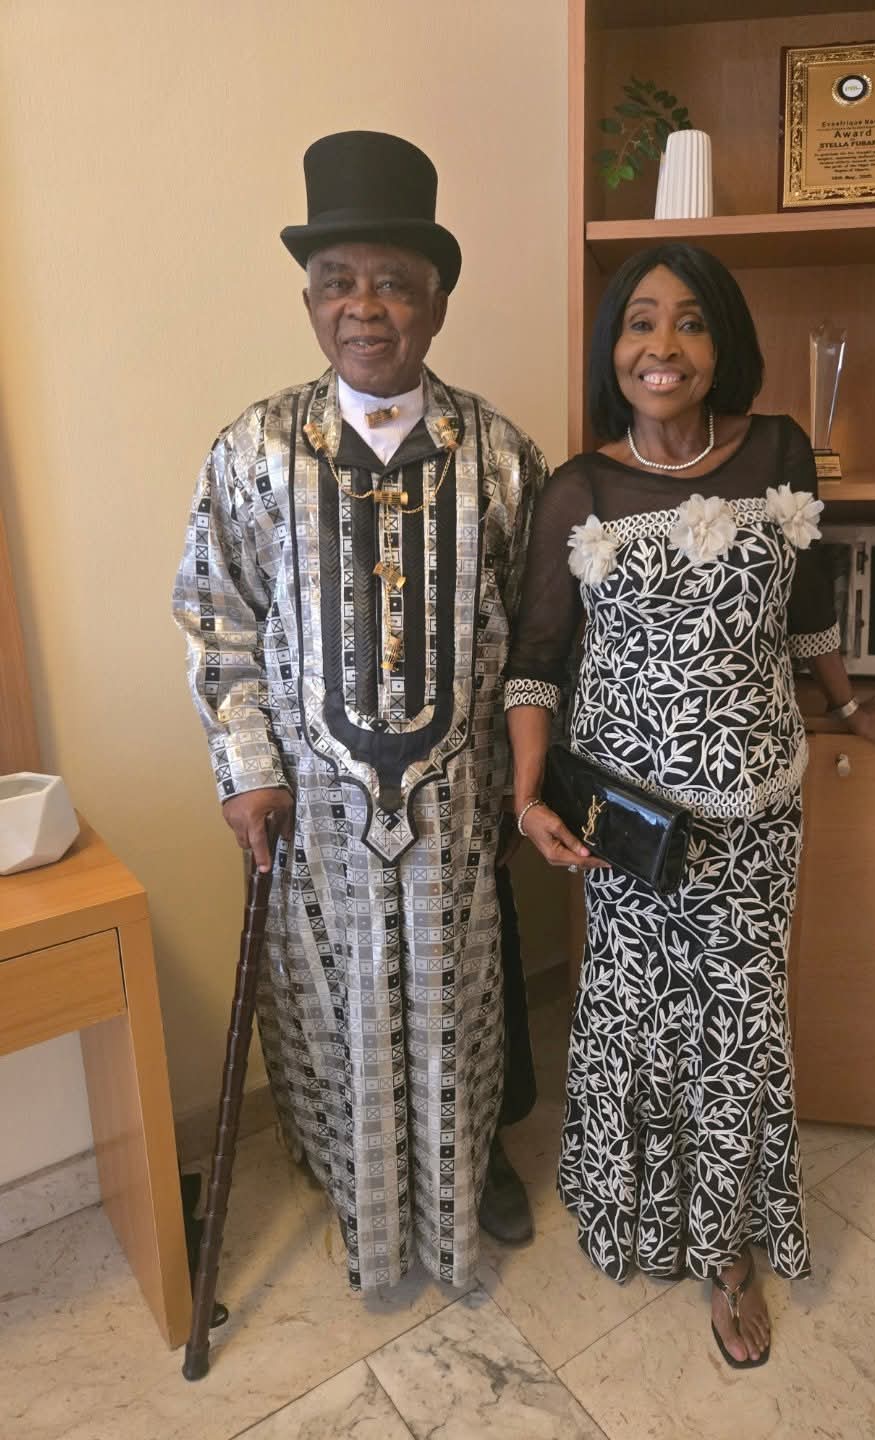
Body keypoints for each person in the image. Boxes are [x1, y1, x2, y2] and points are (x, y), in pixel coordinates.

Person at [504, 242, 875, 1366]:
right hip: (624, 823)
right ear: (614, 350)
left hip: (756, 815)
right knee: (635, 1023)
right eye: (639, 323)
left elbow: (810, 604)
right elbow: (539, 657)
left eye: (689, 323)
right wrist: (529, 791)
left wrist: (848, 701)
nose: (663, 347)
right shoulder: (576, 491)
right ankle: (633, 1207)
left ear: (721, 343)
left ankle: (729, 1252)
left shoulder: (780, 451)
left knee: (736, 1034)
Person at [173, 131, 543, 1293]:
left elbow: (538, 638)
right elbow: (212, 615)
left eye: (393, 281)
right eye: (339, 282)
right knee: (331, 1013)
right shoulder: (255, 449)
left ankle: (464, 1170)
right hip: (315, 815)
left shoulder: (503, 456)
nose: (365, 307)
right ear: (309, 300)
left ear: (437, 302)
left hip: (458, 809)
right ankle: (354, 1184)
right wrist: (246, 768)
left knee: (459, 1008)